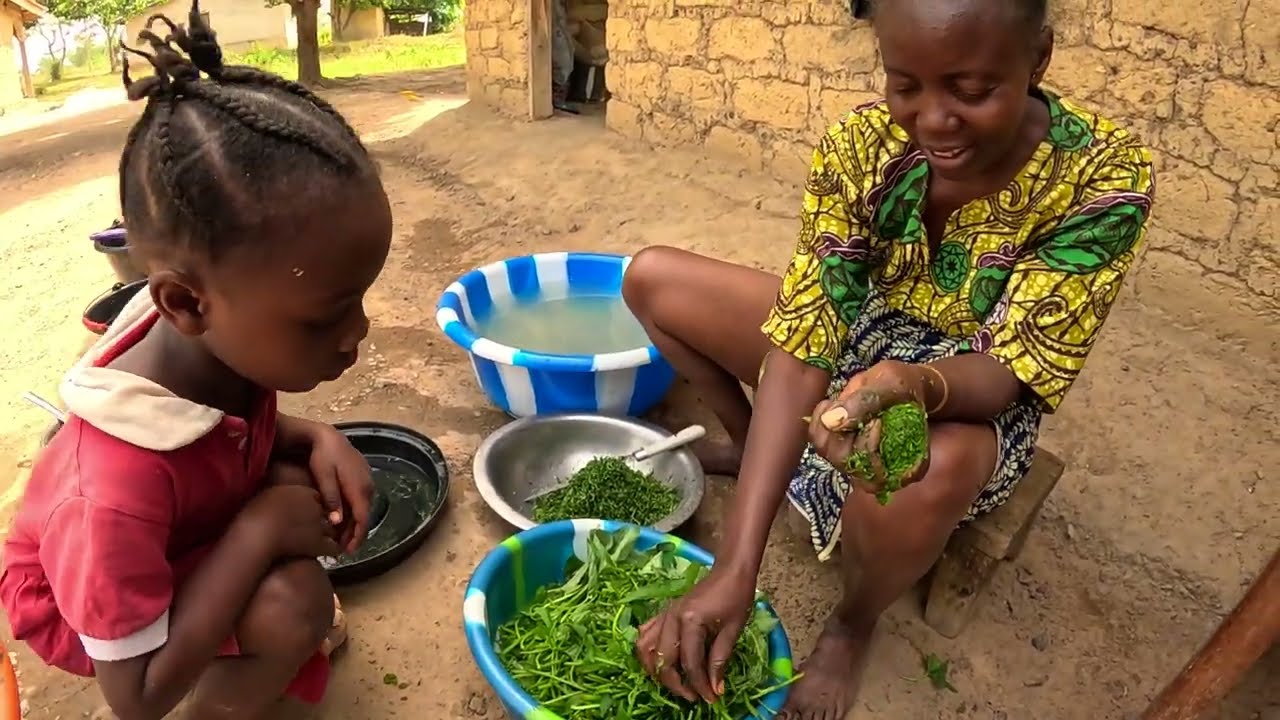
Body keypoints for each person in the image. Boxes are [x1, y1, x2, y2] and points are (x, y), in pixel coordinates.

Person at [622, 0, 1155, 716]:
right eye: (906, 85)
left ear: (1040, 60)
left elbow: (1007, 373)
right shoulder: (860, 146)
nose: (933, 120)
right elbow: (809, 331)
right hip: (862, 336)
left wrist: (914, 385)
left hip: (972, 383)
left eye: (971, 92)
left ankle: (853, 622)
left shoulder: (1103, 176)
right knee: (653, 279)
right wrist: (735, 567)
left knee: (916, 475)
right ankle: (756, 452)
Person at [0, 4, 393, 719]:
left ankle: (241, 614)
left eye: (360, 299)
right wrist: (259, 533)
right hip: (94, 608)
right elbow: (137, 696)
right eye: (327, 313)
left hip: (168, 529)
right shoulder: (109, 496)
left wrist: (317, 436)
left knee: (290, 478)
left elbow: (219, 431)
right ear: (182, 302)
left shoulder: (212, 338)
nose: (357, 333)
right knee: (294, 599)